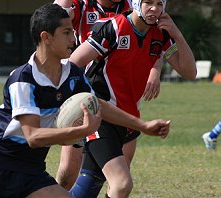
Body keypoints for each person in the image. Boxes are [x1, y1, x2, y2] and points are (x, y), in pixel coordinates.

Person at [0, 3, 170, 198]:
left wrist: (143, 125)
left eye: (72, 31)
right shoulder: (23, 78)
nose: (74, 38)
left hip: (33, 172)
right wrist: (81, 131)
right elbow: (33, 137)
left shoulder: (72, 75)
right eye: (66, 32)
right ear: (46, 37)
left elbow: (99, 105)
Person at [67, 0, 197, 197]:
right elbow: (73, 64)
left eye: (159, 3)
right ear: (136, 3)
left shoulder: (160, 34)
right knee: (121, 183)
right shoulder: (113, 28)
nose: (154, 8)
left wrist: (177, 34)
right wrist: (83, 102)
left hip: (127, 119)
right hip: (100, 116)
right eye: (148, 2)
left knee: (89, 184)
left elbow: (189, 72)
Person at [54, 0, 164, 191]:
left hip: (123, 100)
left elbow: (154, 38)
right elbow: (54, 14)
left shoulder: (135, 6)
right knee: (68, 172)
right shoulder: (81, 5)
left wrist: (155, 69)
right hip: (84, 97)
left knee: (117, 174)